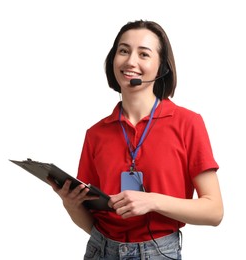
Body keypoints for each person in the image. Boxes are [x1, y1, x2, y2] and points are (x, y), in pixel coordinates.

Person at [48, 20, 223, 259]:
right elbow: (91, 223)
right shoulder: (95, 133)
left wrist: (152, 201)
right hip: (100, 249)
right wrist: (70, 204)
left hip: (159, 252)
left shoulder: (188, 123)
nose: (130, 61)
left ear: (161, 67)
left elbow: (214, 211)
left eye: (144, 54)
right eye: (123, 51)